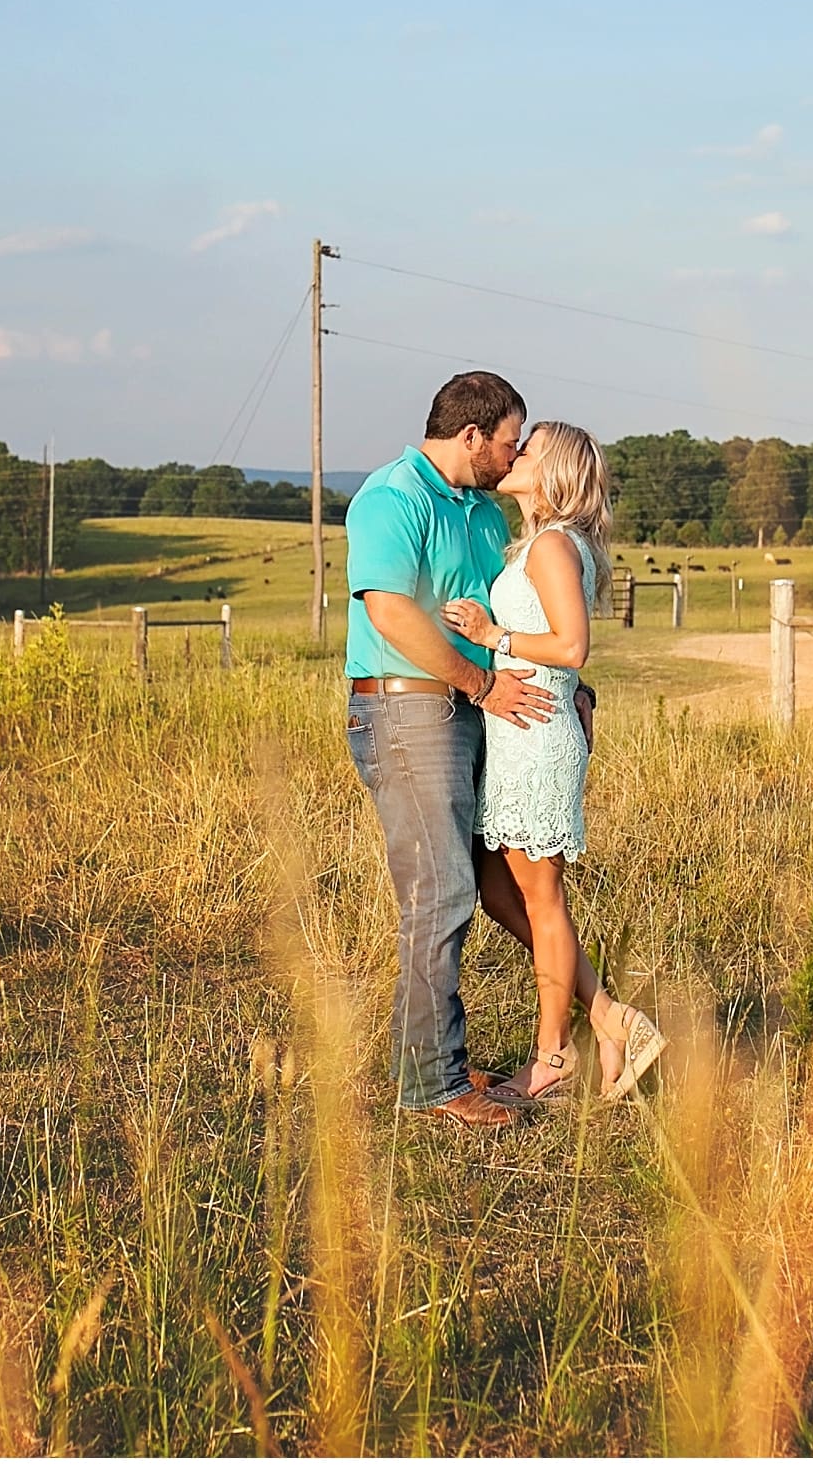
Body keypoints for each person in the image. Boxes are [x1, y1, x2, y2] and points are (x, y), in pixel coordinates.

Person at [342, 370, 564, 1129]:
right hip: (410, 713)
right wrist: (478, 682)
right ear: (471, 436)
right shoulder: (392, 497)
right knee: (439, 894)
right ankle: (432, 1083)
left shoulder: (476, 510)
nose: (514, 457)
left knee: (473, 886)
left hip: (467, 710)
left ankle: (438, 1052)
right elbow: (391, 610)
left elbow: (503, 617)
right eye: (509, 443)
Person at [439, 421, 664, 1105]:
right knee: (500, 891)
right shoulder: (542, 542)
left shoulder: (555, 543)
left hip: (537, 741)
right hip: (519, 733)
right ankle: (609, 1018)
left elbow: (572, 646)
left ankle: (554, 1056)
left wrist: (490, 633)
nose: (514, 456)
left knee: (540, 900)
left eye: (527, 450)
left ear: (555, 471)